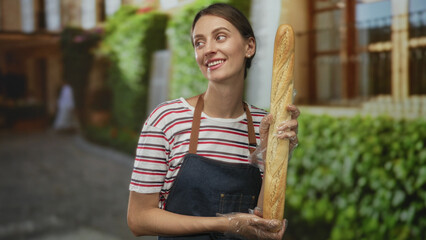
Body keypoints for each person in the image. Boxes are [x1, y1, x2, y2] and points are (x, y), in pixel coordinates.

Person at [127, 3, 299, 239]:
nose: (208, 49)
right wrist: (225, 224)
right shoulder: (166, 120)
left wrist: (273, 157)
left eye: (220, 37)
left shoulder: (264, 124)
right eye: (199, 42)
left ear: (249, 46)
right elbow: (138, 219)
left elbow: (263, 222)